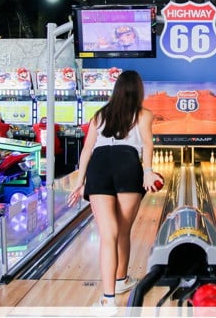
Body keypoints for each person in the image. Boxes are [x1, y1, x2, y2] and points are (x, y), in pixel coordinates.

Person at [66, 70, 159, 313]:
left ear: (116, 90)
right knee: (123, 230)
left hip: (99, 166)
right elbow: (147, 144)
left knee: (108, 235)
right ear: (138, 91)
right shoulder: (144, 114)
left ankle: (109, 298)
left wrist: (79, 181)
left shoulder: (99, 115)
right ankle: (120, 281)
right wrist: (148, 171)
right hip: (127, 164)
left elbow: (87, 150)